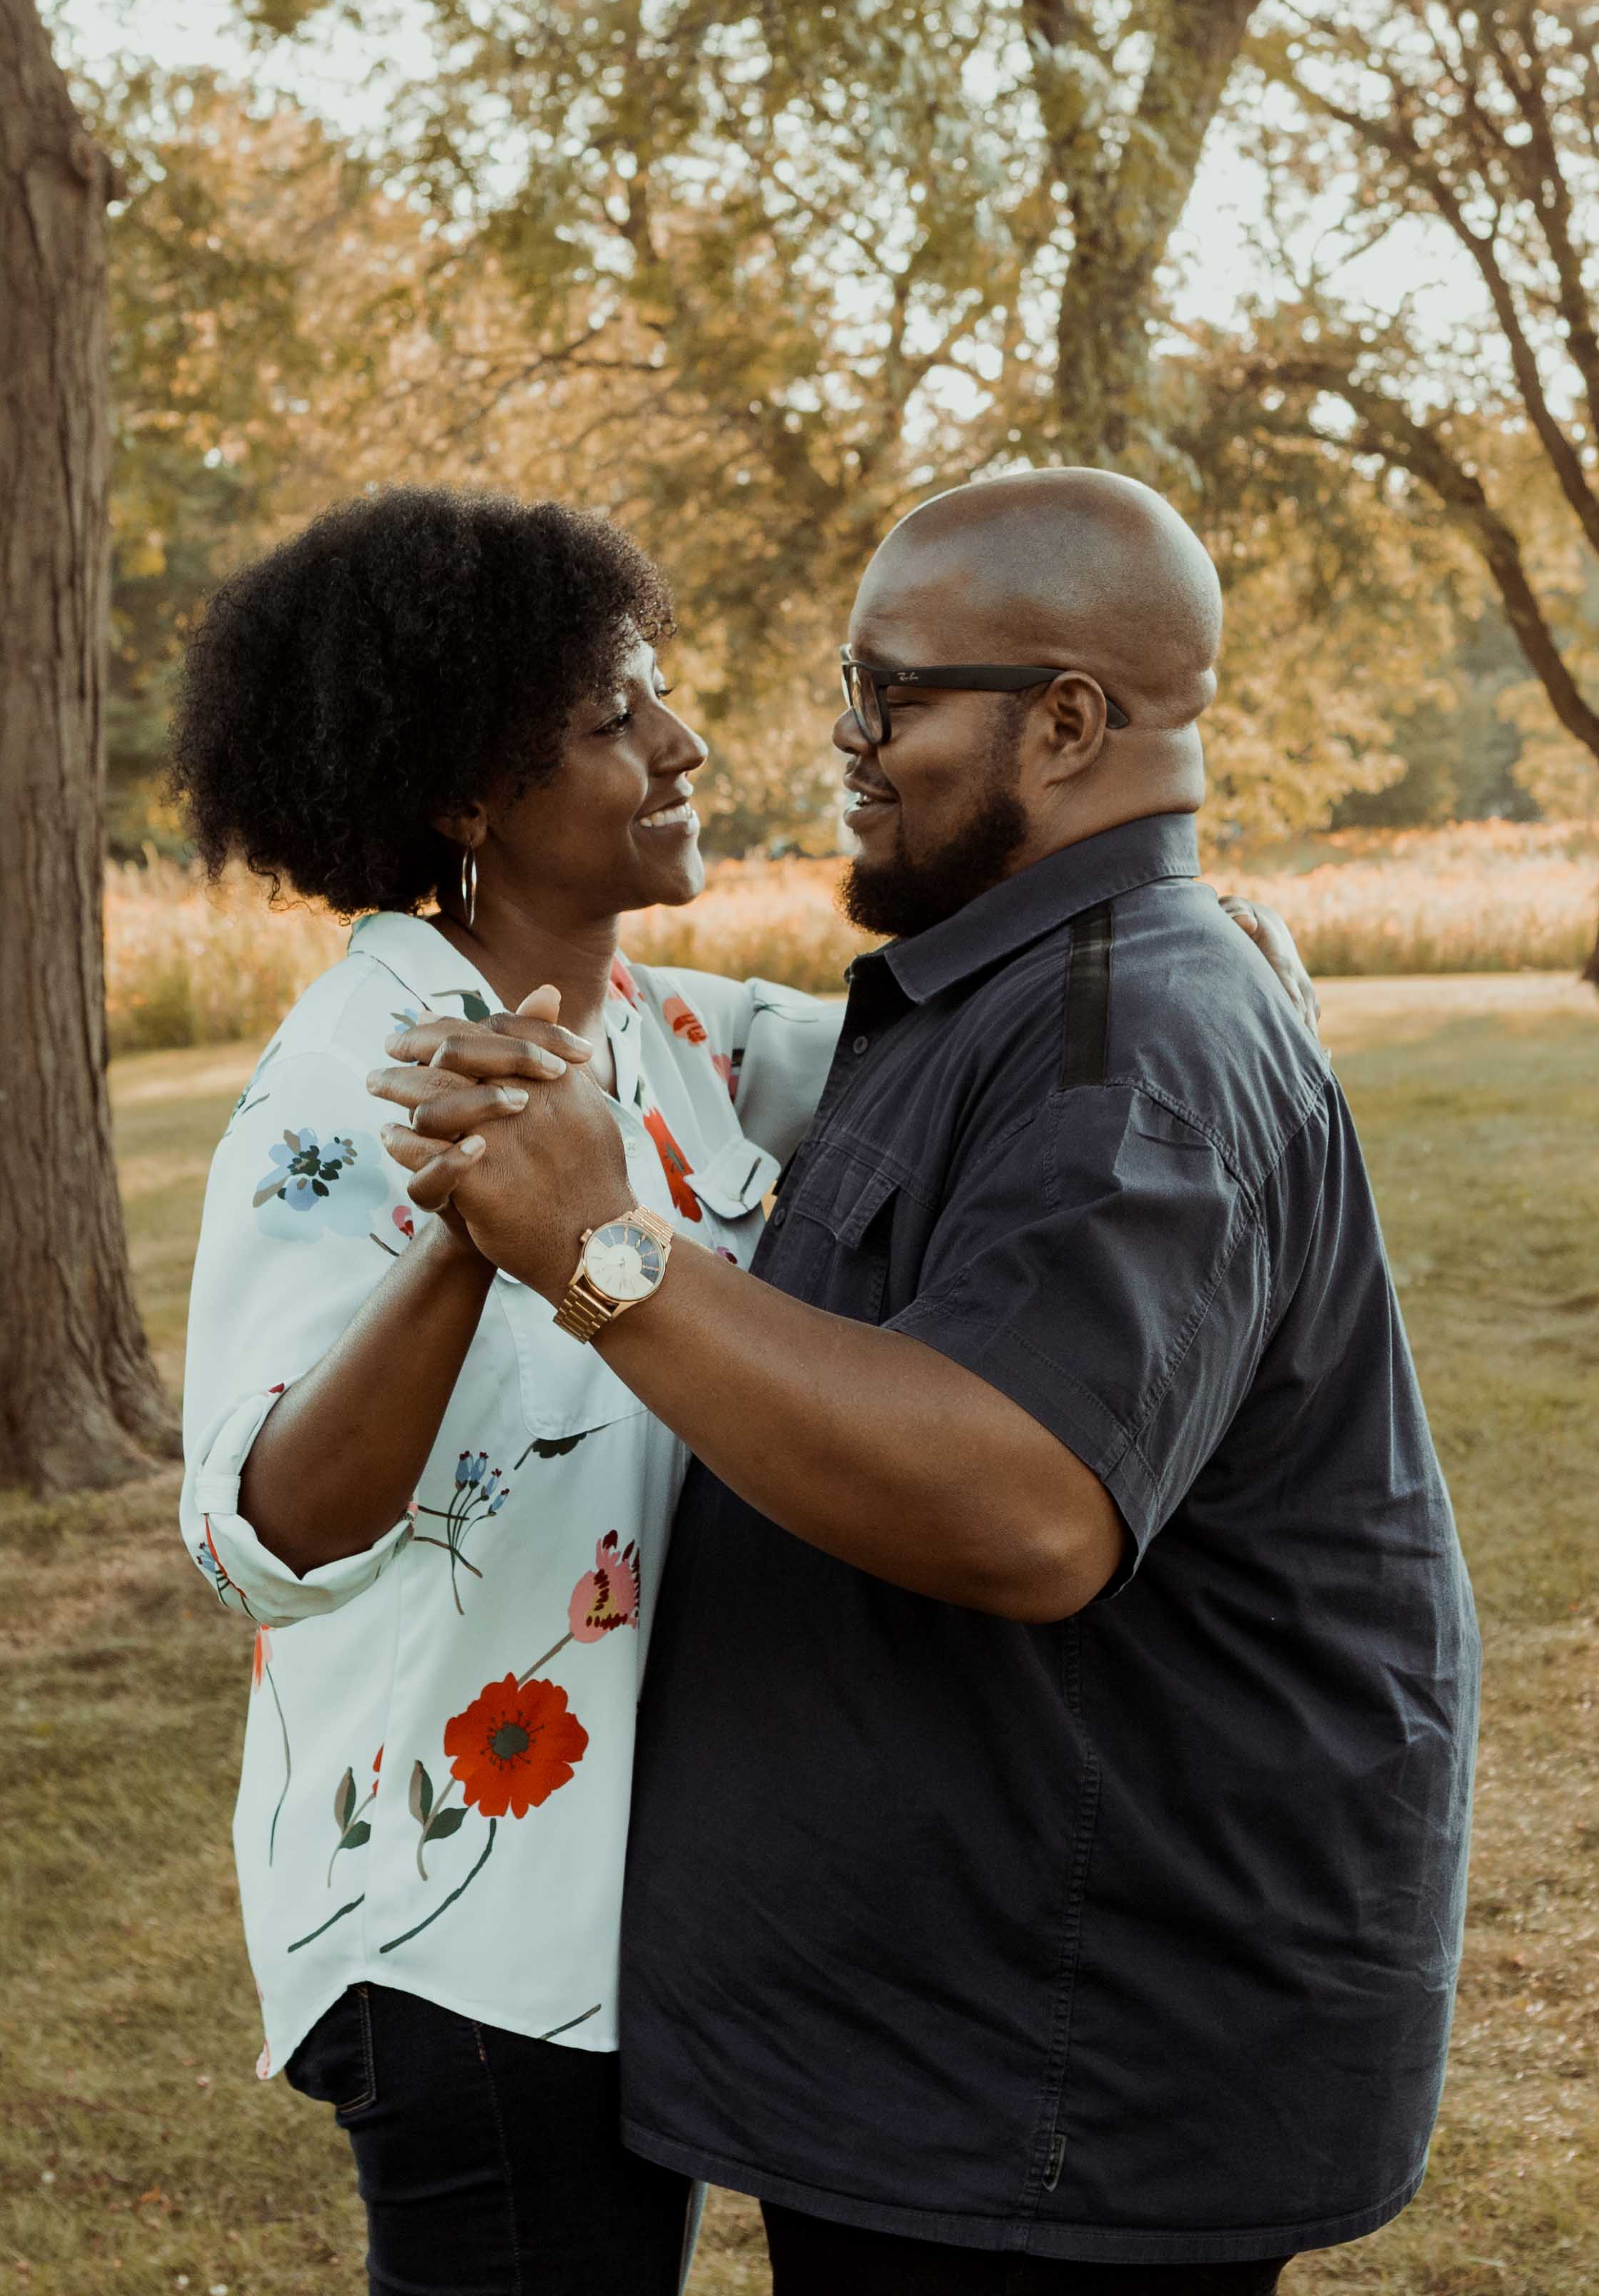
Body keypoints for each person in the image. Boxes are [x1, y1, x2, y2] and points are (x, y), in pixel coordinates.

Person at [164, 484, 1321, 2296]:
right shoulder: (361, 1084)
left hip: (641, 1922)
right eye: (616, 717)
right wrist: (481, 1248)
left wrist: (1194, 930)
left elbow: (963, 1037)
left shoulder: (680, 1038)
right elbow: (259, 1531)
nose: (684, 742)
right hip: (463, 1931)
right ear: (468, 794)